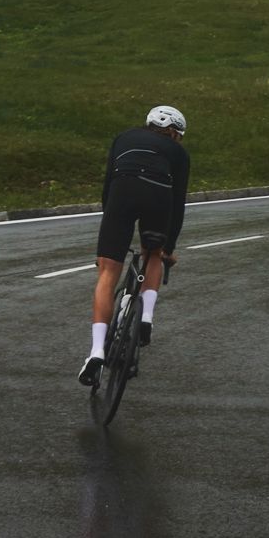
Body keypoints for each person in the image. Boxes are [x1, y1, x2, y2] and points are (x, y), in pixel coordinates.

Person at [78, 105, 190, 387]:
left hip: (122, 190)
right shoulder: (179, 152)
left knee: (108, 273)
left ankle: (96, 352)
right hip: (159, 194)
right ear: (174, 133)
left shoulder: (124, 137)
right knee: (152, 254)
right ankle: (146, 317)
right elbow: (178, 203)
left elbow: (108, 185)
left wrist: (107, 242)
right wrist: (168, 248)